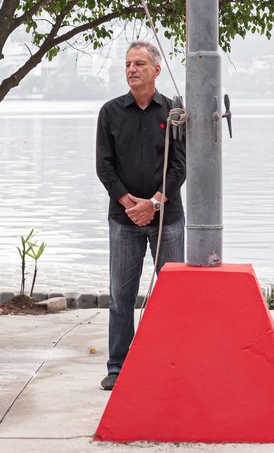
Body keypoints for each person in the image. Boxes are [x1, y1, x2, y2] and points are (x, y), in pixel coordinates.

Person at [96, 41, 186, 391]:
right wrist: (128, 202)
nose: (132, 70)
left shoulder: (174, 111)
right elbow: (104, 165)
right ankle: (118, 366)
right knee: (121, 296)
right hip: (123, 218)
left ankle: (171, 361)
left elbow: (181, 164)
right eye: (128, 64)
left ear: (156, 70)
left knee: (172, 295)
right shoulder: (110, 112)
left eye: (139, 64)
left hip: (169, 217)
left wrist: (155, 203)